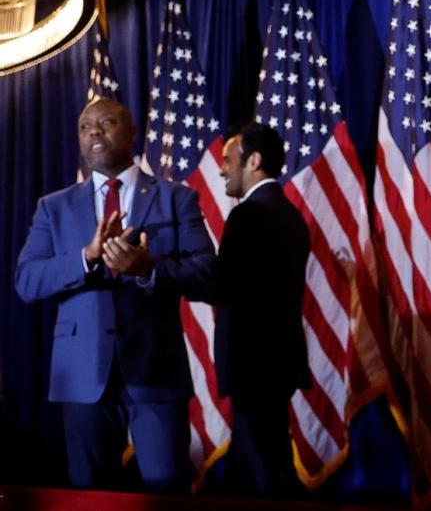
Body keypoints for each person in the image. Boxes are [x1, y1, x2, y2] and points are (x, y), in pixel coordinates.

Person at [15, 97, 214, 493]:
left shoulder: (176, 198)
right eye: (86, 127)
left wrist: (148, 268)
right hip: (82, 376)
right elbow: (27, 280)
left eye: (106, 122)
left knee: (167, 487)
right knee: (89, 491)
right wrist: (86, 257)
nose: (95, 132)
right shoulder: (54, 208)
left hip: (155, 373)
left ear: (132, 131)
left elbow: (209, 275)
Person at [212, 122, 310, 495]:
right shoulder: (290, 214)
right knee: (267, 464)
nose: (221, 169)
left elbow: (222, 285)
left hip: (252, 366)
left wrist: (156, 270)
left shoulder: (247, 215)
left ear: (253, 160)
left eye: (227, 159)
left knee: (262, 479)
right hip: (278, 365)